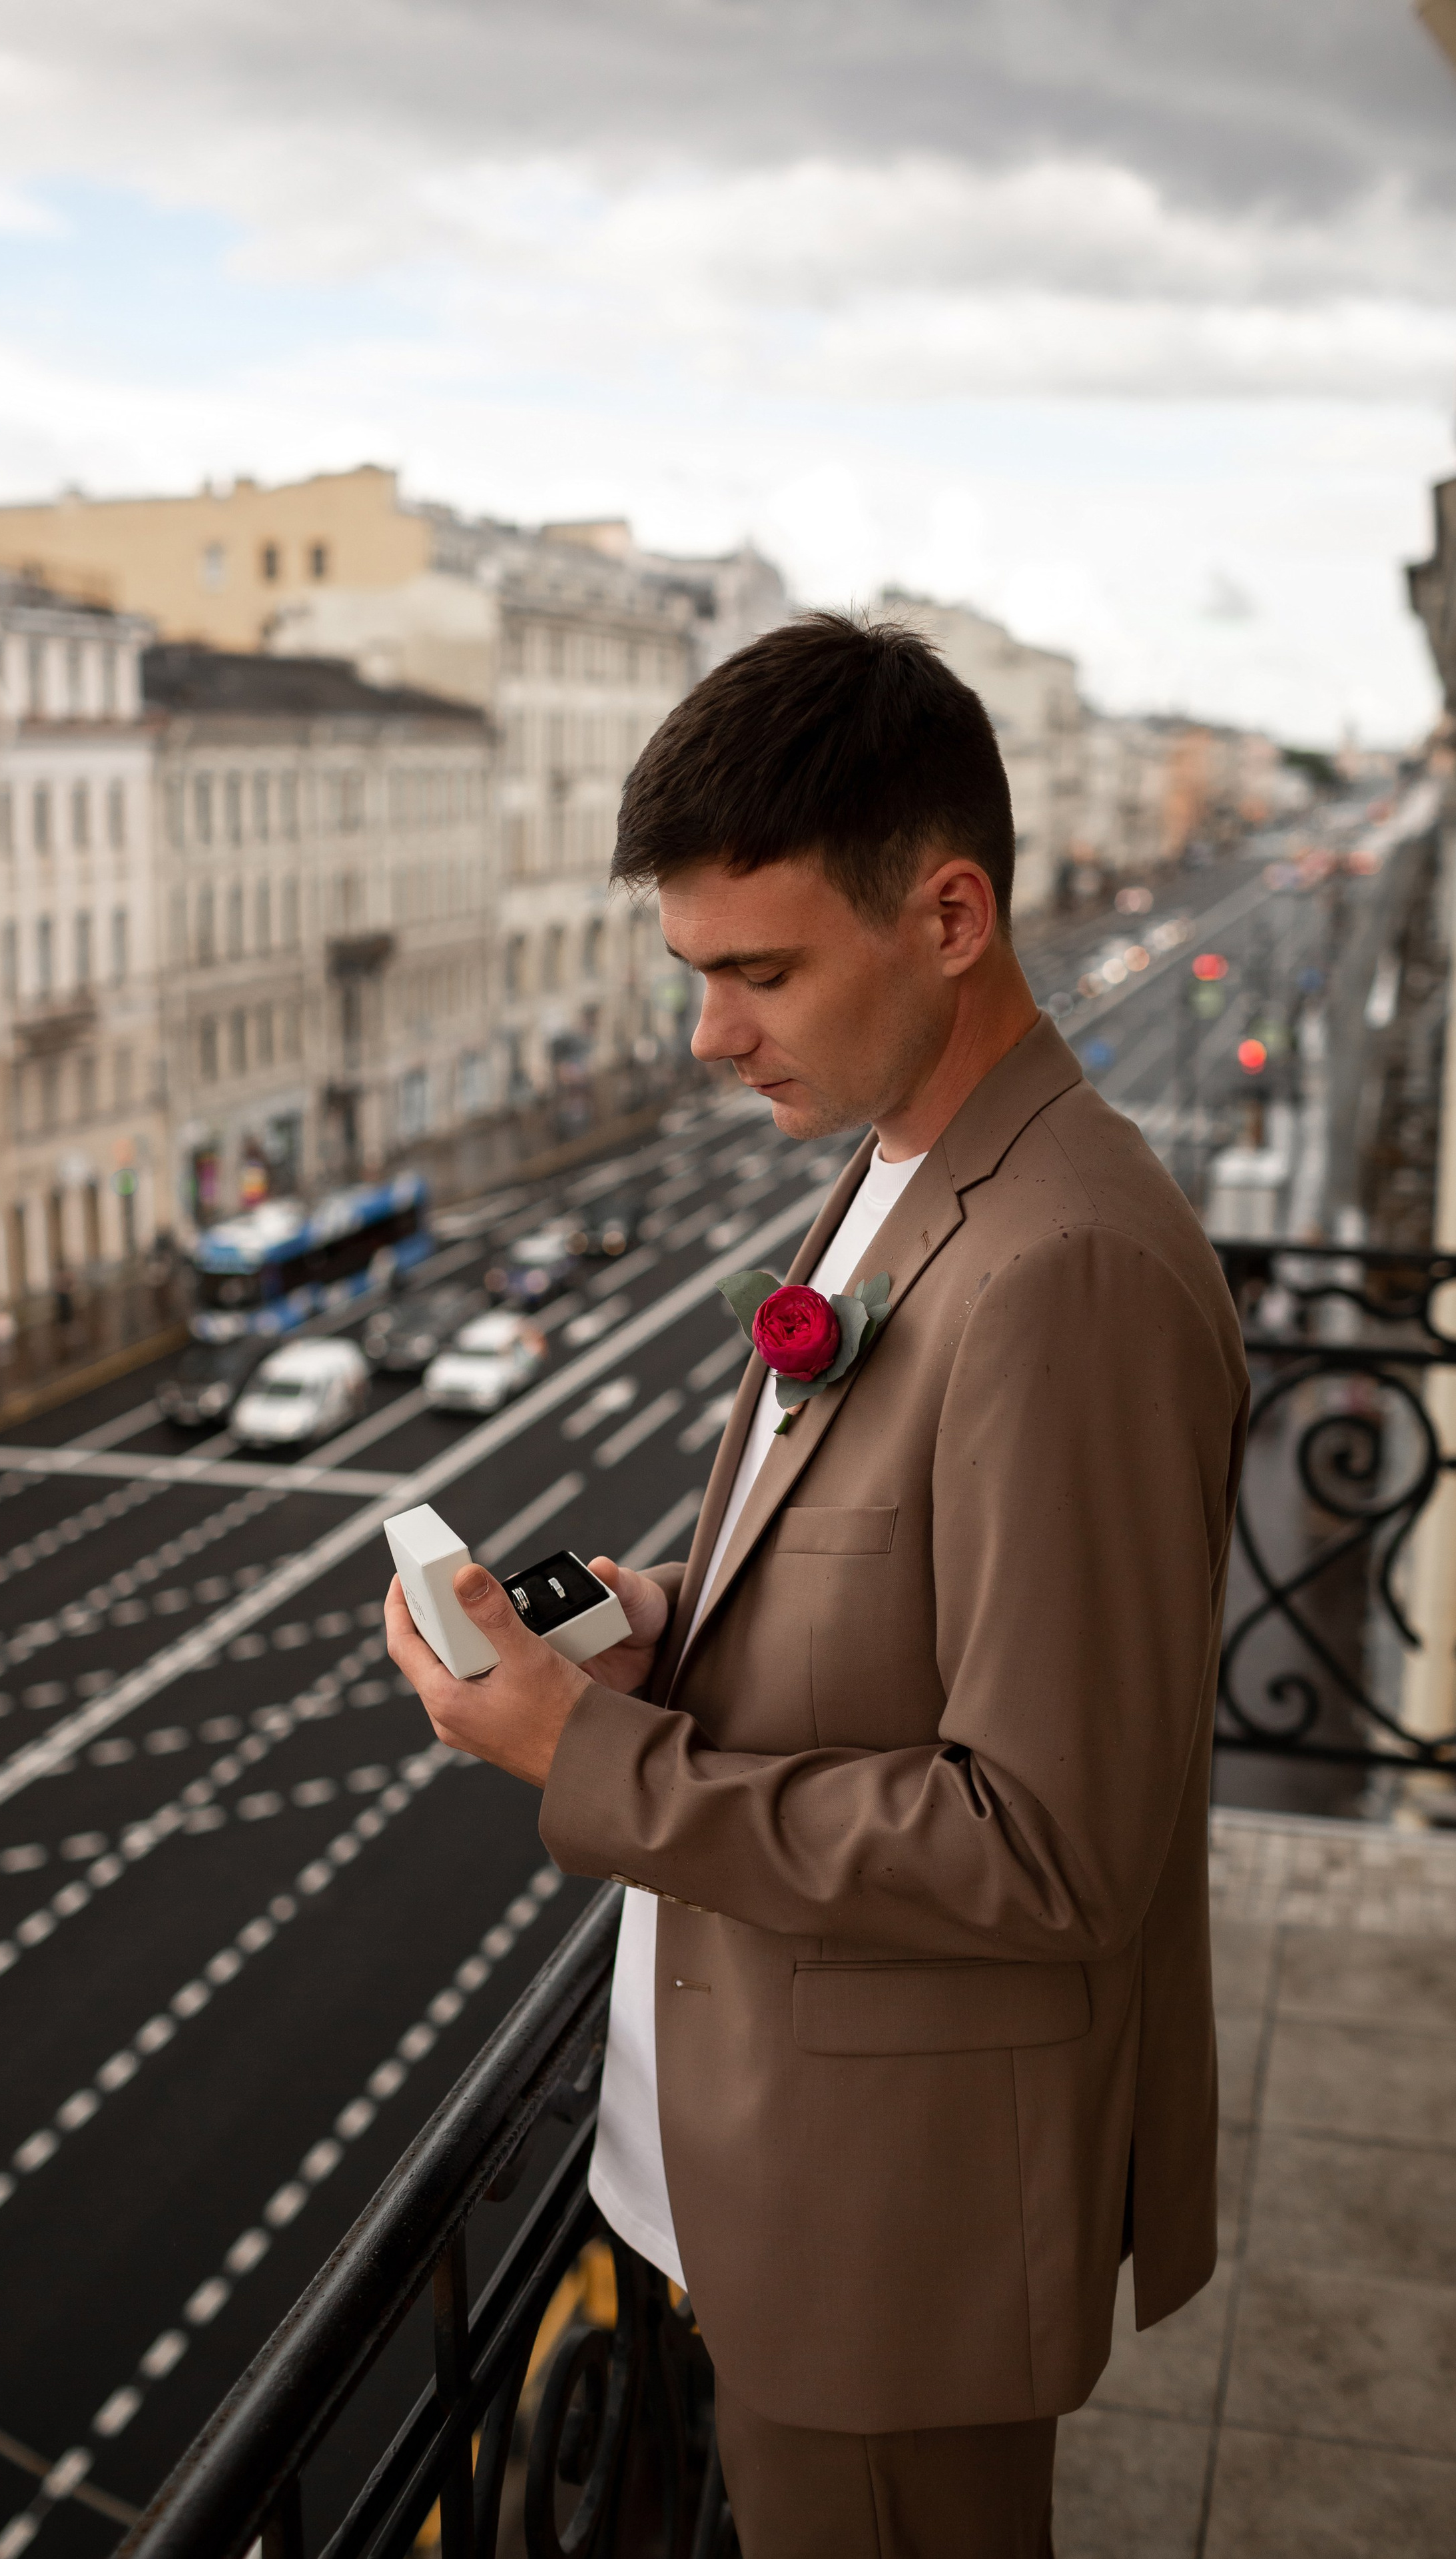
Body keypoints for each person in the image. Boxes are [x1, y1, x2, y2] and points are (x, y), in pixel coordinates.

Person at [384, 613, 1248, 2558]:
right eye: (696, 972)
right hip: (790, 2164)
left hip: (893, 2239)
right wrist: (676, 1612)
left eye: (759, 971)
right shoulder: (905, 1160)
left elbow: (1049, 1847)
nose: (709, 1034)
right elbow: (909, 1572)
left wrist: (584, 1748)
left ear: (950, 915)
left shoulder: (1064, 1265)